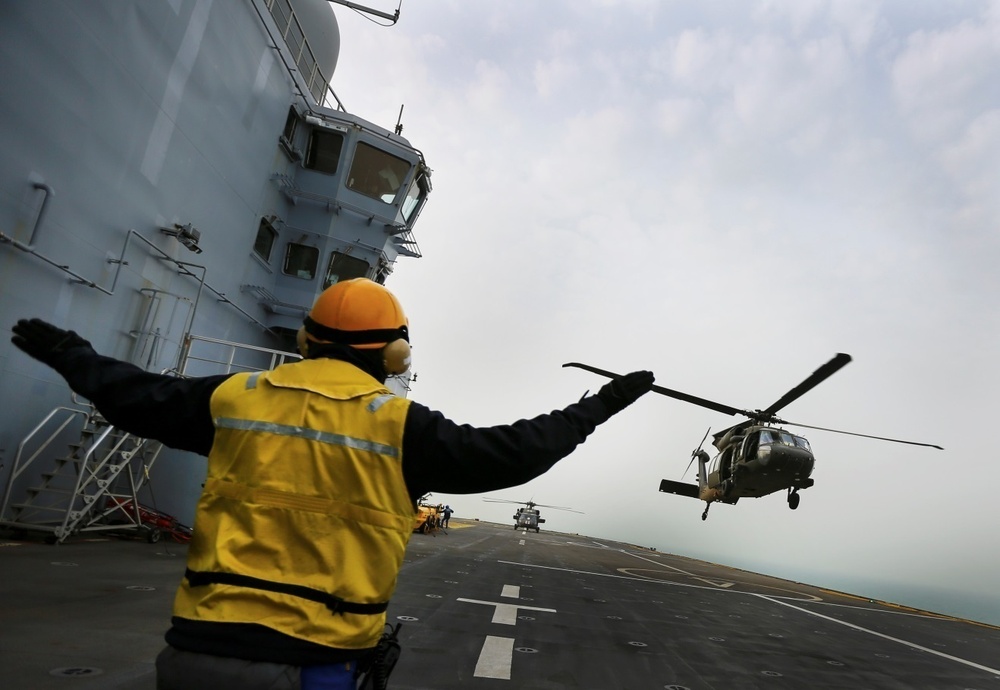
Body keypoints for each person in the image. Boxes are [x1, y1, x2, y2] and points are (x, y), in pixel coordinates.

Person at [10, 278, 654, 690]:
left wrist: (72, 353)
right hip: (314, 662)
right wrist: (599, 405)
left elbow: (136, 397)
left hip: (197, 655)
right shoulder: (402, 425)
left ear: (306, 339)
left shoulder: (236, 397)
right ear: (395, 355)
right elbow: (513, 452)